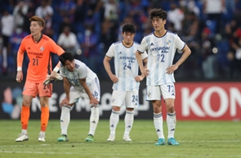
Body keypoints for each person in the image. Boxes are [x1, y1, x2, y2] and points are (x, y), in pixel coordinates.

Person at [135, 8, 191, 146]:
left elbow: (187, 50)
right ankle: (161, 138)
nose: (155, 23)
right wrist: (142, 68)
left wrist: (176, 65)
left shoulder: (172, 38)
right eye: (153, 21)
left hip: (167, 77)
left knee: (170, 106)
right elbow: (138, 53)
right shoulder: (147, 39)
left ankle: (171, 137)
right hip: (152, 78)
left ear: (164, 21)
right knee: (156, 108)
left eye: (158, 20)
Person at [15, 16, 64, 142]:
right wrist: (19, 70)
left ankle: (42, 134)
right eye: (31, 25)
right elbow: (20, 52)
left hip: (44, 78)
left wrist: (55, 71)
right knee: (25, 102)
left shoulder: (48, 42)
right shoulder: (26, 40)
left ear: (41, 28)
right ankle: (24, 133)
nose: (32, 28)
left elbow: (63, 54)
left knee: (43, 104)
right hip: (31, 76)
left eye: (35, 25)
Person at [103, 23, 147, 141]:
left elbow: (147, 61)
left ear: (134, 35)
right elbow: (106, 60)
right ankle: (112, 134)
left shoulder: (139, 48)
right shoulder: (115, 46)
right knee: (116, 108)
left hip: (133, 84)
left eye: (131, 35)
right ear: (122, 34)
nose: (128, 37)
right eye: (126, 34)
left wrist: (142, 75)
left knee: (130, 109)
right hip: (119, 84)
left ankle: (126, 135)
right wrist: (111, 75)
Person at [53, 52, 100, 142]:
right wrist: (67, 97)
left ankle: (91, 134)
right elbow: (66, 82)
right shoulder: (62, 67)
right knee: (65, 105)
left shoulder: (81, 67)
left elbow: (83, 83)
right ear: (63, 65)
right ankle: (63, 135)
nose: (71, 65)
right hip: (76, 86)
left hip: (90, 85)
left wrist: (91, 97)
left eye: (72, 62)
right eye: (68, 64)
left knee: (94, 105)